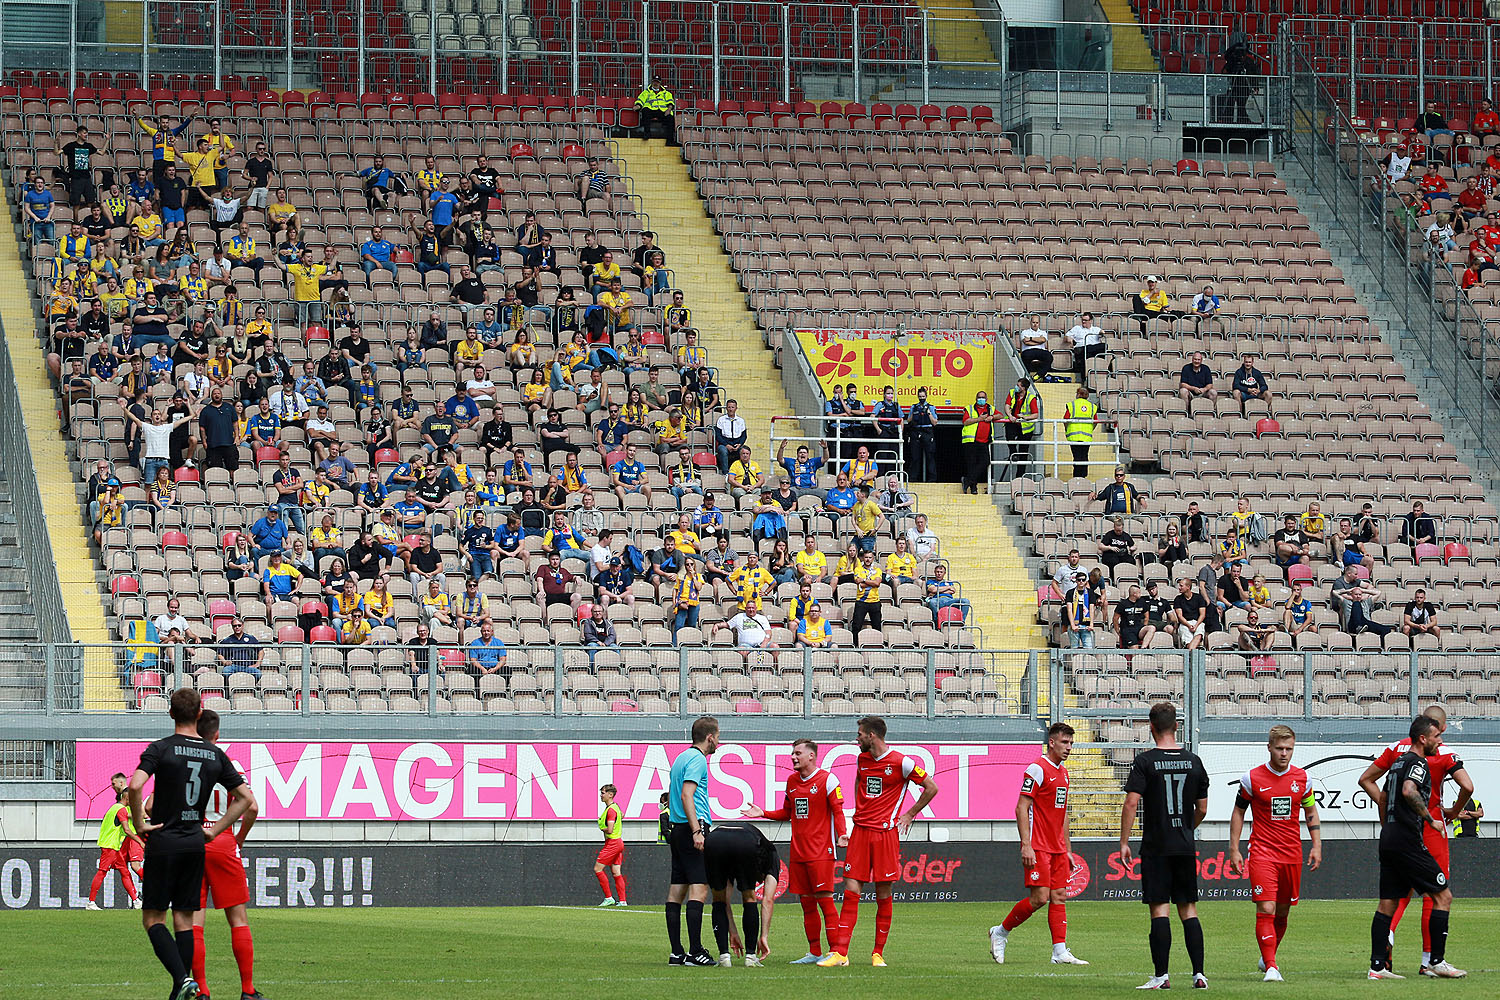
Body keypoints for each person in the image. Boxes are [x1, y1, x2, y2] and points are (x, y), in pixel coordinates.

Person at [128, 688, 255, 1000]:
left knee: (155, 919)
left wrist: (140, 823)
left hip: (164, 841)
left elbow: (135, 786)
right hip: (197, 843)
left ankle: (186, 981)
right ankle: (190, 990)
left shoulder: (161, 748)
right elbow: (247, 801)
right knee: (187, 920)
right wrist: (218, 831)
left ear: (171, 713)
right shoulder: (216, 755)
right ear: (199, 715)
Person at [1357, 705, 1472, 976]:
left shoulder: (1396, 755)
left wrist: (1388, 821)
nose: (1440, 739)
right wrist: (1443, 815)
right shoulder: (1434, 757)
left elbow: (1376, 788)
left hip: (1390, 834)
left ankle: (1378, 964)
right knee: (1440, 895)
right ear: (1432, 732)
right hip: (1421, 832)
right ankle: (1431, 960)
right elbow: (1466, 786)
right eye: (1438, 734)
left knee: (1391, 901)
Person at [819, 715, 939, 967]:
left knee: (883, 893)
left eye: (860, 734)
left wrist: (909, 814)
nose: (857, 738)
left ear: (871, 735)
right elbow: (859, 783)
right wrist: (858, 812)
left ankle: (877, 953)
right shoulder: (862, 759)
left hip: (885, 835)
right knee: (851, 891)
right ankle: (841, 952)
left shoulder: (902, 762)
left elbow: (931, 787)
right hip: (861, 833)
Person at [1119, 702, 1211, 990]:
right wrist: (1185, 829)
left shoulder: (1145, 761)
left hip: (1156, 846)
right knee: (1189, 910)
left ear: (1151, 727)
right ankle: (1199, 974)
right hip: (1184, 845)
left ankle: (1161, 977)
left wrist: (1124, 841)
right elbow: (1203, 809)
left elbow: (1132, 802)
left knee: (1160, 909)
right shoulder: (1194, 761)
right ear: (1176, 726)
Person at [1226, 724, 1323, 982]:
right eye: (1279, 748)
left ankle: (1267, 955)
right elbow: (1238, 811)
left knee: (1282, 912)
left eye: (1288, 749)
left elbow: (1310, 811)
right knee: (1266, 907)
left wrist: (1316, 844)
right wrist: (1234, 848)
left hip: (1292, 853)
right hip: (1262, 852)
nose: (1284, 753)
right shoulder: (1252, 778)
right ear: (1269, 748)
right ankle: (1271, 966)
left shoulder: (1303, 779)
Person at [988, 722, 1088, 965]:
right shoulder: (1037, 768)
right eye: (1065, 742)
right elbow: (1021, 807)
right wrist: (1026, 844)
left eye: (1071, 743)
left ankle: (1059, 951)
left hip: (1057, 848)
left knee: (1059, 896)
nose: (1069, 748)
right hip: (1039, 845)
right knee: (1039, 898)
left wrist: (1068, 849)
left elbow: (1062, 813)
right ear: (1052, 742)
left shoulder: (1063, 773)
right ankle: (1000, 932)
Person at [740, 737, 848, 964]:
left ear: (811, 756)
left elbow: (838, 811)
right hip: (799, 853)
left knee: (825, 901)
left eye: (798, 753)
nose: (793, 757)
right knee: (807, 903)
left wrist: (842, 834)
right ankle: (815, 952)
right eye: (793, 753)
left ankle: (838, 953)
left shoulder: (828, 780)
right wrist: (763, 813)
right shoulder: (791, 781)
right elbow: (787, 812)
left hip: (821, 852)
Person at [191, 710, 267, 1000]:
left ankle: (202, 991)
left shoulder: (183, 763)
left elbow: (149, 806)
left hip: (191, 842)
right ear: (217, 735)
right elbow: (252, 807)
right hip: (223, 841)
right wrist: (238, 838)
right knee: (238, 919)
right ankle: (247, 991)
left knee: (194, 921)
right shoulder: (230, 763)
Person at [666, 716, 720, 966]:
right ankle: (696, 951)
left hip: (677, 830)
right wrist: (697, 830)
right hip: (691, 830)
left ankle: (677, 952)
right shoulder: (697, 760)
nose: (718, 741)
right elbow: (687, 794)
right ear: (710, 737)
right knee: (700, 888)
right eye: (718, 736)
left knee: (677, 890)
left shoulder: (680, 758)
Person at [703, 822, 781, 967]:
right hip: (745, 841)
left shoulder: (762, 850)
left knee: (718, 898)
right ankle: (751, 957)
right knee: (749, 897)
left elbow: (725, 901)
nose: (760, 881)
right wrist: (763, 937)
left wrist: (732, 932)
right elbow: (767, 900)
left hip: (715, 840)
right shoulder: (772, 857)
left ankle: (724, 956)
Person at [88, 773, 143, 909]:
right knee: (102, 872)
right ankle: (91, 902)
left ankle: (136, 901)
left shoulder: (114, 807)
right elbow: (127, 830)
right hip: (110, 846)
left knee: (125, 872)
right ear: (127, 798)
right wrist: (141, 842)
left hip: (114, 846)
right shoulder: (121, 810)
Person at [593, 784, 628, 908]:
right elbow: (622, 815)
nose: (601, 796)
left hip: (612, 842)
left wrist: (602, 828)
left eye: (603, 793)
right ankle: (623, 901)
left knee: (598, 869)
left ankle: (609, 898)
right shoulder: (615, 807)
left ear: (610, 795)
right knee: (616, 871)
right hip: (618, 842)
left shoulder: (611, 809)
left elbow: (610, 829)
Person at [1001, 375, 1041, 482]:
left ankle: (1019, 478)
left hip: (1025, 428)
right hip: (1013, 422)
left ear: (1023, 388)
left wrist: (1025, 417)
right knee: (1009, 435)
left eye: (1018, 385)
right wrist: (1010, 416)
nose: (1016, 387)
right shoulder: (1012, 393)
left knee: (1023, 452)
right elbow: (1007, 405)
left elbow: (1035, 414)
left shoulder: (1031, 398)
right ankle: (1013, 453)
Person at [960, 390, 997, 493]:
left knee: (985, 462)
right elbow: (966, 421)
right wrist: (979, 419)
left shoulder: (990, 408)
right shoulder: (970, 408)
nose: (981, 399)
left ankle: (967, 480)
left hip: (984, 441)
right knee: (972, 464)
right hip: (971, 441)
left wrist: (992, 417)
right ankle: (973, 487)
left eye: (983, 397)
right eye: (979, 397)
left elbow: (1001, 415)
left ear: (986, 399)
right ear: (976, 399)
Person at [1062, 384, 1097, 479]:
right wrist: (1090, 429)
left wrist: (1067, 429)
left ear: (1078, 394)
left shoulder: (1072, 405)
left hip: (1073, 437)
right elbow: (1095, 421)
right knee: (1084, 456)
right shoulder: (1092, 407)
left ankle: (1077, 477)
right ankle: (1083, 477)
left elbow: (1066, 419)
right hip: (1086, 437)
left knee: (1077, 457)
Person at [635, 77, 678, 145]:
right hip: (651, 110)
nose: (655, 83)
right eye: (654, 82)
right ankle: (647, 134)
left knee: (670, 118)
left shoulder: (666, 93)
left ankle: (670, 141)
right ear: (652, 82)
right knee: (645, 111)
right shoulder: (646, 92)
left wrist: (669, 109)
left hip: (662, 111)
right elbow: (641, 100)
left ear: (660, 83)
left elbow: (670, 102)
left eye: (657, 82)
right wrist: (638, 106)